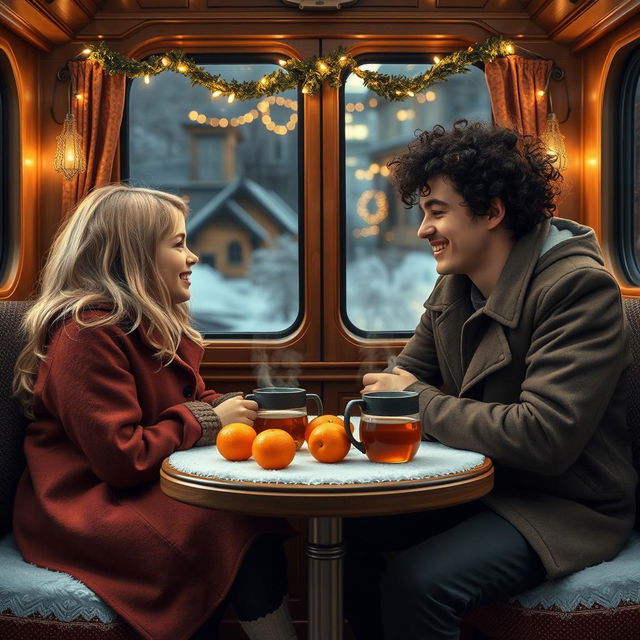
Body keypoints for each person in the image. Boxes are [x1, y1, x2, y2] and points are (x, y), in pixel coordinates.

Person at [344, 120, 637, 640]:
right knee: (351, 531)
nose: (422, 230)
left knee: (419, 582)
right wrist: (398, 398)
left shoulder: (577, 289)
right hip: (482, 489)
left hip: (564, 506)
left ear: (492, 211)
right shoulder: (454, 287)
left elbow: (543, 437)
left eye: (437, 212)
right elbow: (399, 380)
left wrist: (412, 400)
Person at [12, 184, 297, 640]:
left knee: (250, 515)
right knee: (223, 521)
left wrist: (227, 407)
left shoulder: (150, 328)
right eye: (179, 244)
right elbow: (121, 458)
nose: (194, 258)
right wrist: (206, 422)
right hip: (84, 505)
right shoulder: (87, 335)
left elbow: (184, 398)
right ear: (135, 257)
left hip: (132, 488)